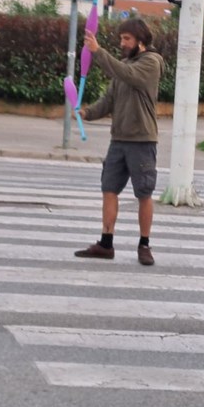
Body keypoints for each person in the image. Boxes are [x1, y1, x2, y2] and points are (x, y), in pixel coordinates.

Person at [75, 18, 165, 266]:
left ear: (141, 41)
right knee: (109, 189)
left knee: (144, 193)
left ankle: (144, 245)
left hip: (142, 140)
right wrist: (87, 112)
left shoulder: (152, 63)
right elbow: (109, 100)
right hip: (118, 140)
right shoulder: (122, 65)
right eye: (121, 38)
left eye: (127, 39)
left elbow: (129, 75)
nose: (122, 43)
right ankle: (106, 243)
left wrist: (98, 52)